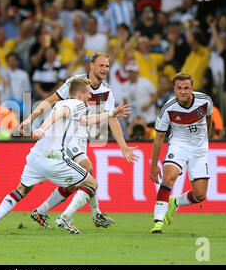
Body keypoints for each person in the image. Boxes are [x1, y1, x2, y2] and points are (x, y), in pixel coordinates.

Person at [0, 77, 131, 234]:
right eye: (88, 93)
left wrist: (111, 113)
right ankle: (65, 218)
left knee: (21, 190)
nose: (90, 96)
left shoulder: (63, 103)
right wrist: (42, 128)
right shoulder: (77, 104)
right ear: (80, 94)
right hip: (55, 159)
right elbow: (60, 114)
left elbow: (84, 120)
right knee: (92, 184)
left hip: (36, 156)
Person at [20, 52, 139, 229]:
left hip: (82, 136)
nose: (105, 69)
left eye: (107, 66)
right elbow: (51, 101)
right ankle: (77, 216)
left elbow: (113, 118)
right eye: (101, 65)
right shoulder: (75, 82)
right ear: (91, 66)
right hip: (66, 136)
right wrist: (30, 119)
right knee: (87, 170)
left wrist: (123, 147)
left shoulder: (106, 90)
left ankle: (43, 211)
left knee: (80, 179)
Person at [149, 72, 213, 234]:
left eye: (186, 88)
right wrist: (153, 165)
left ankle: (175, 203)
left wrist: (205, 140)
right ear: (174, 89)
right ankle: (158, 222)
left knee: (200, 195)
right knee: (168, 177)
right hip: (179, 146)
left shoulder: (205, 101)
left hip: (199, 150)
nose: (183, 91)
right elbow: (159, 138)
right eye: (179, 88)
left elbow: (209, 119)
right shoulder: (168, 109)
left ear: (192, 88)